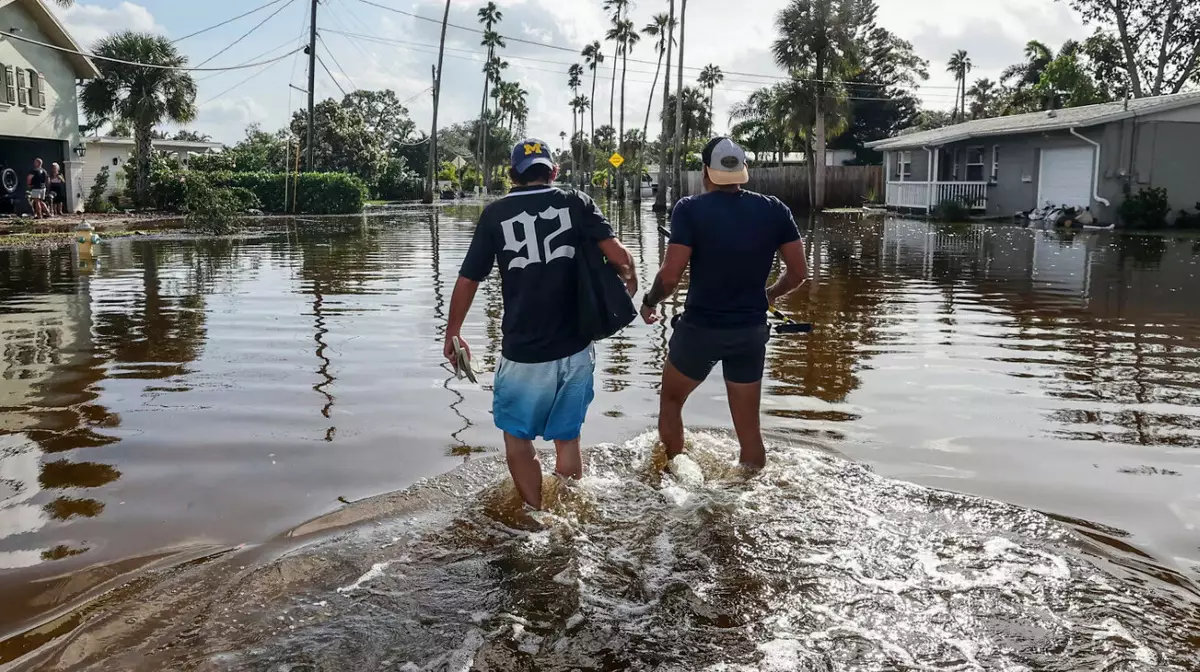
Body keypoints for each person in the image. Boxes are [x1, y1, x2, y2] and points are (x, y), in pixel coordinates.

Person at [445, 138, 637, 510]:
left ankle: (536, 517)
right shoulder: (575, 201)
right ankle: (567, 514)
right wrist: (629, 278)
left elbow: (469, 279)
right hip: (576, 347)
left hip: (524, 352)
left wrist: (453, 331)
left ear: (512, 174)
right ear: (553, 171)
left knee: (518, 441)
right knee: (568, 439)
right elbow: (619, 257)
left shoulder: (495, 214)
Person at [640, 137, 809, 469]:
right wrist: (768, 295)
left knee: (672, 401)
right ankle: (749, 487)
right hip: (749, 332)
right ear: (743, 169)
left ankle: (675, 477)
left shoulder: (689, 210)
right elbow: (799, 272)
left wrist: (649, 301)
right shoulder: (774, 209)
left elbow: (670, 278)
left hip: (700, 330)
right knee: (750, 433)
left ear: (706, 172)